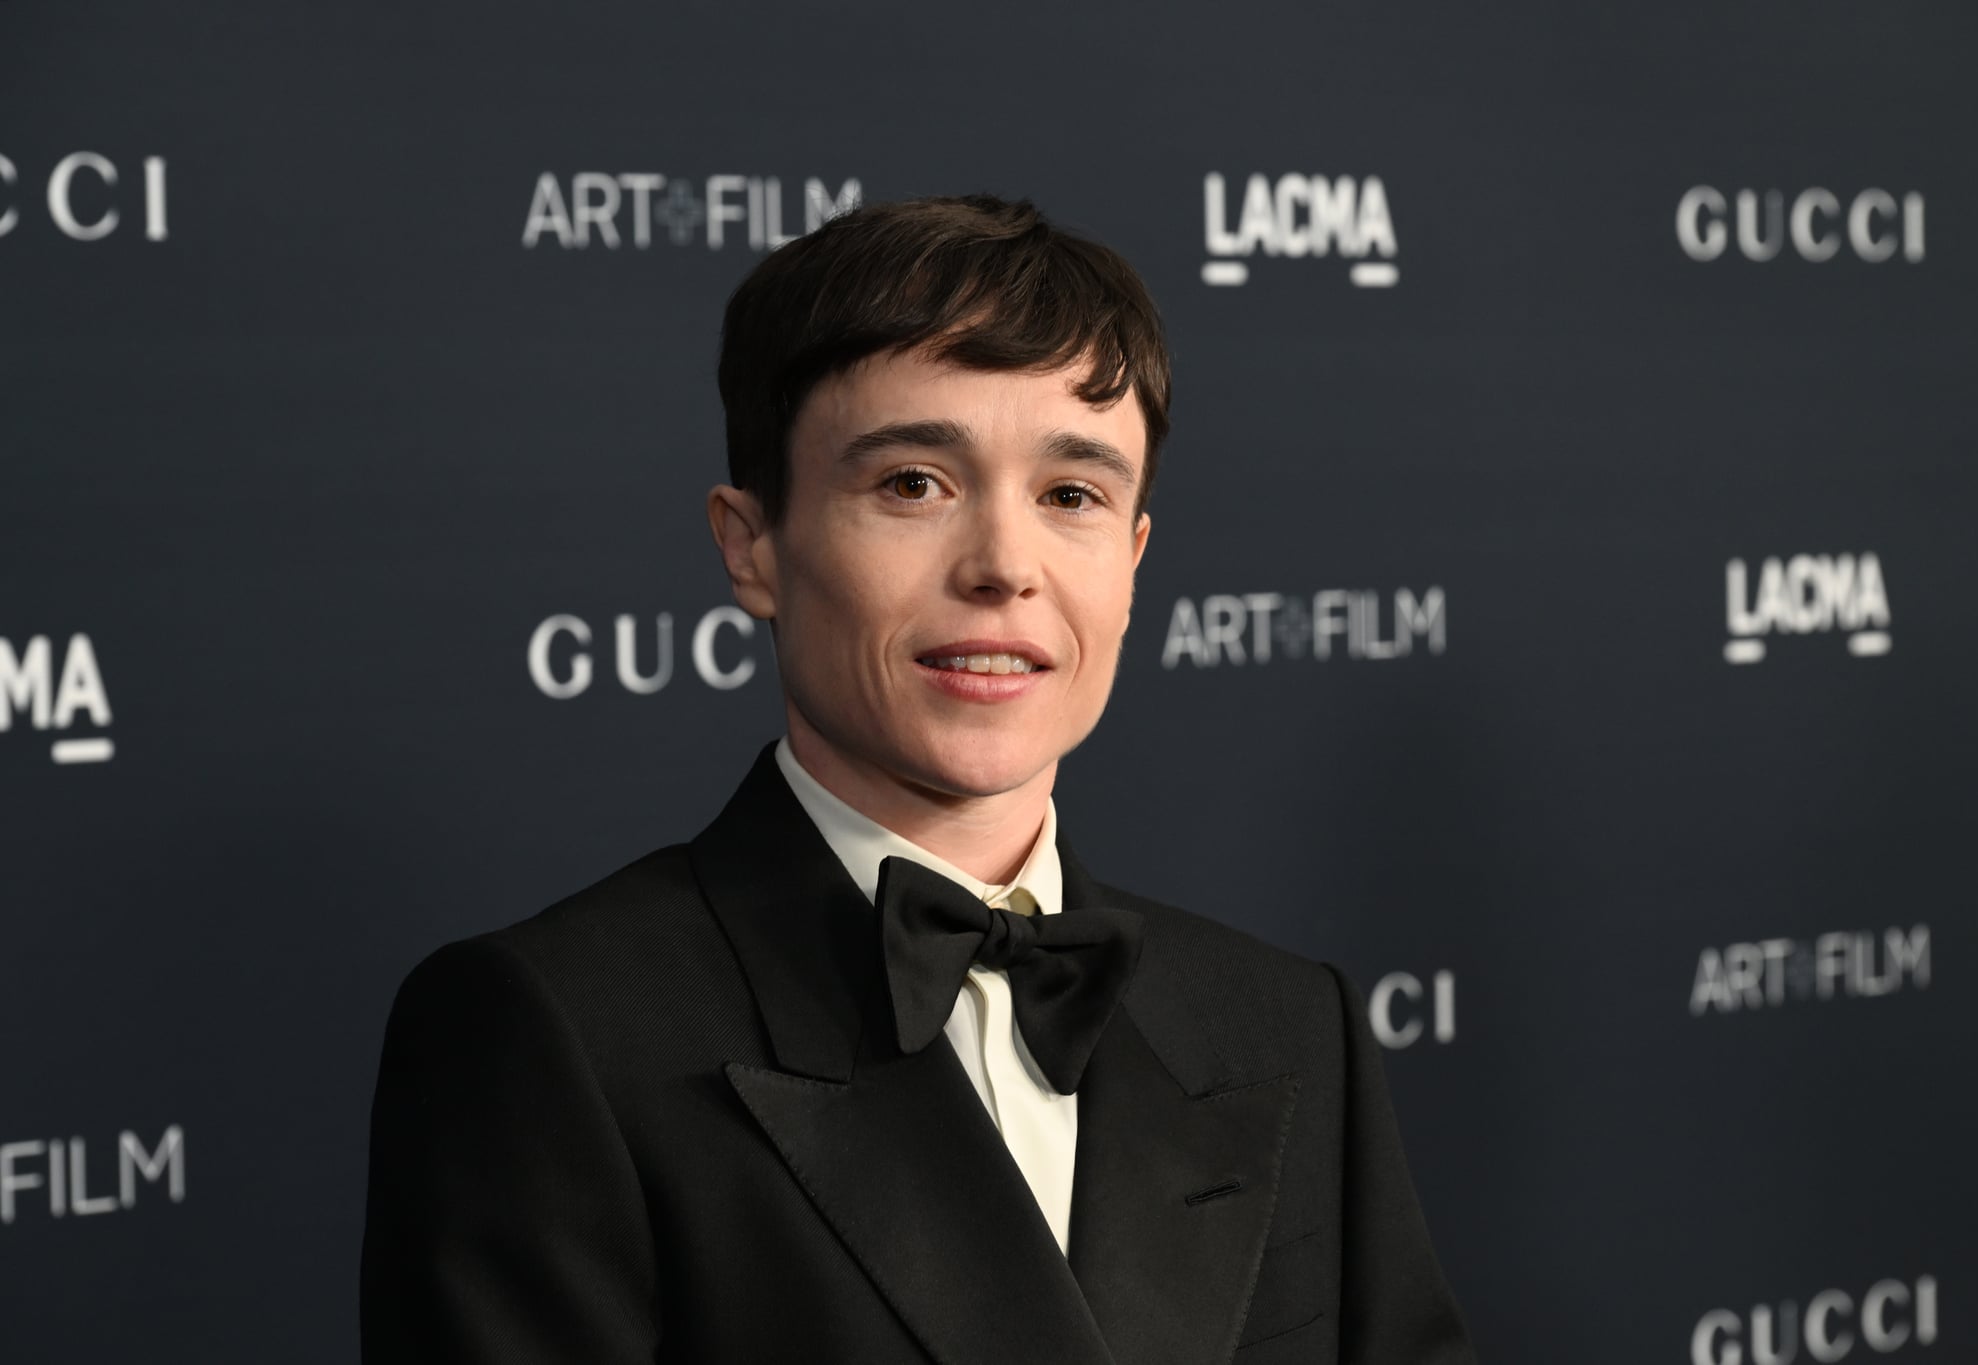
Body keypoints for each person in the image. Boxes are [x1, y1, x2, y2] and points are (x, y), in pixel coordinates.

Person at [360, 194, 1475, 1364]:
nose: (1003, 567)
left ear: (1133, 563)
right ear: (752, 545)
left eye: (1070, 496)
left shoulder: (1287, 1025)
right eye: (911, 484)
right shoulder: (553, 1036)